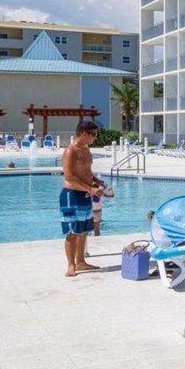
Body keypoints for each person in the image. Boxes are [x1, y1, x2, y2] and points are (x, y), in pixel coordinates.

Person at [60, 119, 108, 277]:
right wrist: (90, 189)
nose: (95, 137)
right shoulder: (70, 151)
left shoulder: (86, 149)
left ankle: (80, 262)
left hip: (86, 193)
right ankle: (71, 265)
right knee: (73, 231)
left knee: (85, 230)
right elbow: (70, 176)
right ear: (84, 133)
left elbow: (86, 171)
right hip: (71, 195)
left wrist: (96, 181)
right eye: (93, 134)